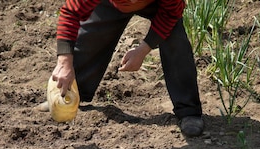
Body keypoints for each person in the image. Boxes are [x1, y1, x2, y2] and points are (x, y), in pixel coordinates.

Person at [52, 0, 204, 137]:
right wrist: (64, 63)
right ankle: (68, 94)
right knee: (92, 36)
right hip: (110, 3)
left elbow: (171, 14)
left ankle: (189, 111)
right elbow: (71, 12)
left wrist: (143, 50)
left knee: (176, 40)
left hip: (155, 4)